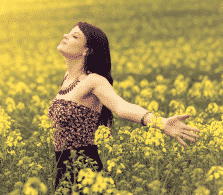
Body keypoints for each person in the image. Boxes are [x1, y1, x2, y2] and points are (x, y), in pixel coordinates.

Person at [47, 21, 201, 194]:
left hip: (84, 167)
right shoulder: (67, 77)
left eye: (74, 36)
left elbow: (121, 107)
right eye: (68, 33)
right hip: (63, 168)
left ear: (87, 50)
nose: (65, 36)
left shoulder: (94, 81)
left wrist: (161, 122)